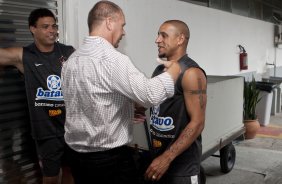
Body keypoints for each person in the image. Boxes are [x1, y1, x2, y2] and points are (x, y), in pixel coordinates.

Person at [61, 1, 181, 184]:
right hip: (108, 162)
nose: (123, 32)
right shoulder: (113, 60)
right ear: (109, 22)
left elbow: (87, 100)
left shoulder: (72, 60)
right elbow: (151, 95)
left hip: (76, 158)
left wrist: (124, 109)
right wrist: (173, 72)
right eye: (122, 25)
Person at [0, 8, 74, 184]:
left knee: (70, 172)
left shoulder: (69, 52)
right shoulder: (24, 56)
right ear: (33, 29)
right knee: (50, 177)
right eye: (45, 26)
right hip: (46, 132)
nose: (52, 30)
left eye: (54, 26)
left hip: (72, 129)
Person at [144, 20, 207, 184]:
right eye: (158, 35)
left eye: (163, 35)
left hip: (182, 169)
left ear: (180, 39)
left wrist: (167, 157)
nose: (157, 40)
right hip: (158, 162)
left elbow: (198, 123)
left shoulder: (192, 73)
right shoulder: (159, 70)